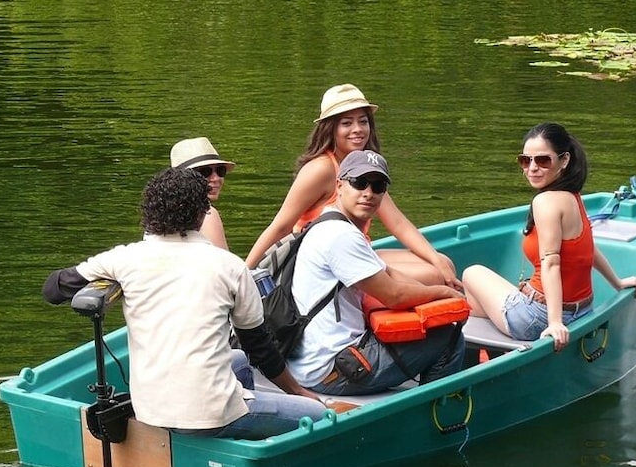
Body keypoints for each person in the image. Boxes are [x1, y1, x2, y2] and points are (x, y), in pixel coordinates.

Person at [42, 168, 331, 439]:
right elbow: (260, 349)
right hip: (211, 415)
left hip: (151, 412)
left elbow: (53, 289)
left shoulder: (122, 259)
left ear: (149, 212)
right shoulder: (229, 266)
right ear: (202, 213)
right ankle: (239, 435)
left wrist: (111, 282)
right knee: (319, 415)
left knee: (239, 362)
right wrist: (300, 393)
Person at [287, 149, 466, 397]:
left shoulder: (327, 223)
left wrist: (437, 294)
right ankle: (435, 410)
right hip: (334, 370)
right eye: (359, 183)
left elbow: (389, 273)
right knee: (449, 336)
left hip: (309, 362)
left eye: (378, 186)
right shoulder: (342, 236)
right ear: (339, 186)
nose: (368, 193)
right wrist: (443, 293)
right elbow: (394, 296)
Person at [245, 83, 460, 288]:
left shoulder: (364, 166)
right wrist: (244, 274)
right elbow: (281, 226)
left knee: (444, 263)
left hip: (358, 252)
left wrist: (435, 258)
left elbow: (398, 223)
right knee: (433, 275)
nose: (357, 129)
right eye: (346, 123)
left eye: (363, 122)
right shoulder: (320, 169)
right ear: (331, 129)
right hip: (326, 265)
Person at [462, 123, 636, 353]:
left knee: (472, 273)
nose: (532, 168)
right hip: (583, 311)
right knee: (482, 299)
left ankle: (477, 348)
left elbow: (551, 263)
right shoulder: (573, 196)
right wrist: (617, 282)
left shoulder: (545, 201)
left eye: (543, 160)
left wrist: (555, 322)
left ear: (564, 160)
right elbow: (587, 248)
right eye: (525, 161)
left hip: (537, 318)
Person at [169, 136, 234, 250]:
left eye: (220, 170)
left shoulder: (159, 214)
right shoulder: (207, 214)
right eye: (205, 172)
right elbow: (223, 260)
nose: (216, 178)